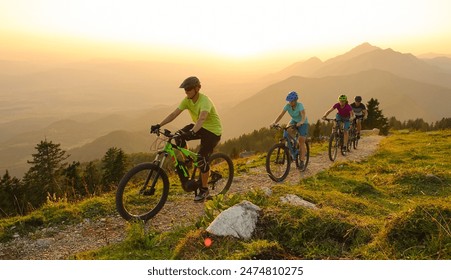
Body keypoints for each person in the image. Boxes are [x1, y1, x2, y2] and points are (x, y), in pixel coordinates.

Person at [150, 76, 222, 202]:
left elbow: (202, 118)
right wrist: (159, 125)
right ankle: (188, 160)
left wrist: (192, 132)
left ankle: (204, 190)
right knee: (178, 136)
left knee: (201, 159)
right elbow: (174, 114)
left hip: (212, 132)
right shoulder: (187, 100)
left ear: (197, 88)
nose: (186, 91)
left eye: (188, 89)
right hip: (199, 127)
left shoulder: (205, 101)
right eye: (185, 89)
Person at [271, 91, 309, 170]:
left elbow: (303, 114)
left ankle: (302, 161)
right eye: (289, 101)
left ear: (296, 100)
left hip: (303, 122)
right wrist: (274, 122)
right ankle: (291, 146)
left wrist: (301, 122)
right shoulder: (287, 106)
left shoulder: (300, 105)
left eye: (291, 101)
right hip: (294, 121)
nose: (290, 102)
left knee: (301, 140)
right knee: (286, 131)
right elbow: (281, 115)